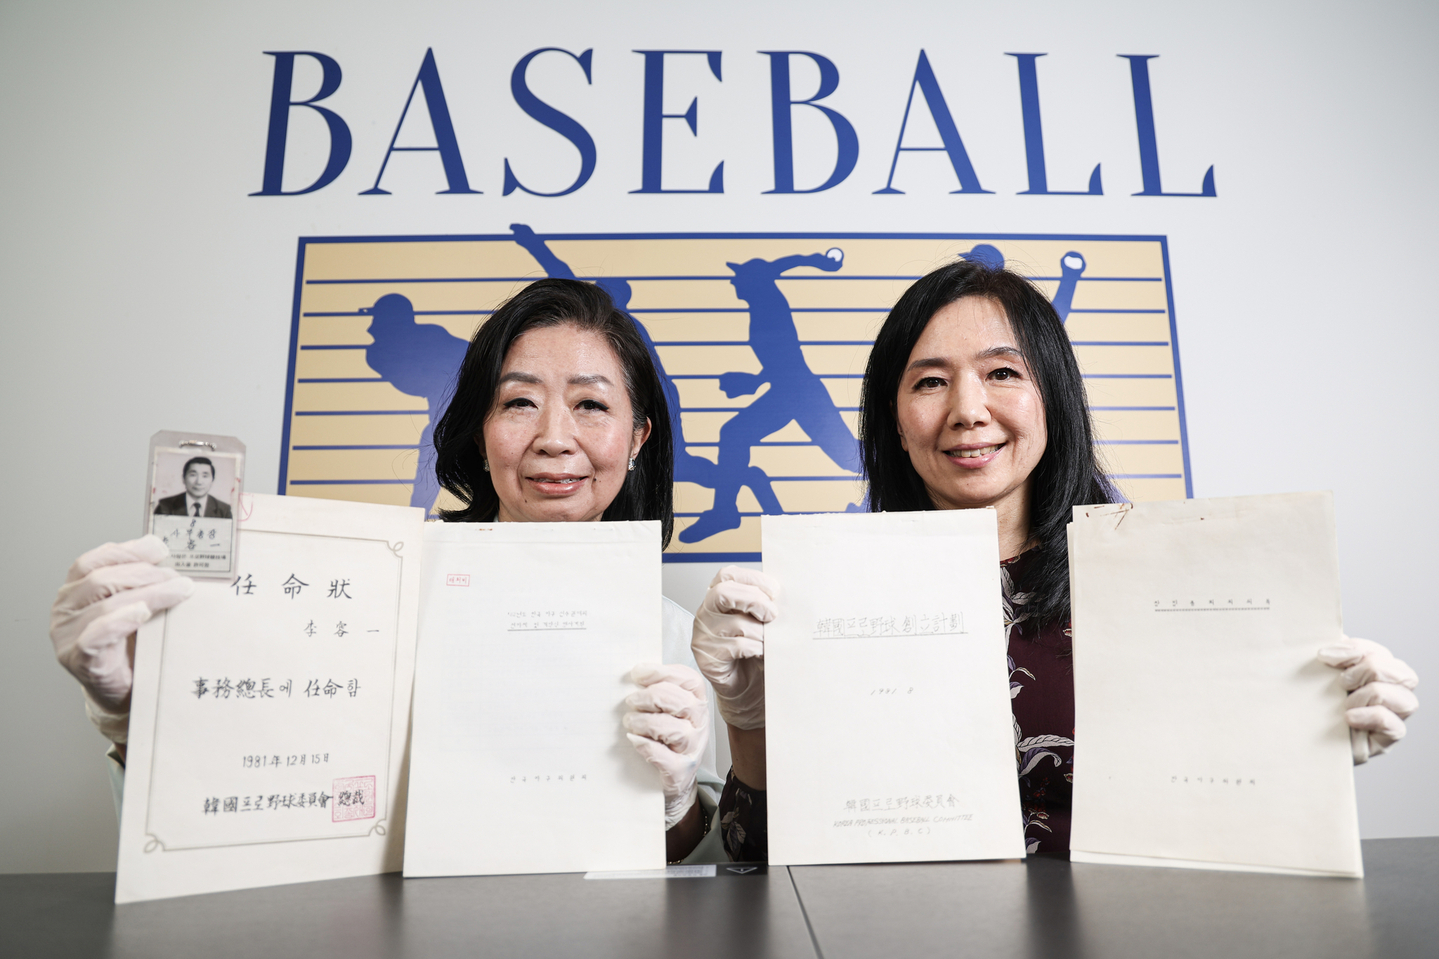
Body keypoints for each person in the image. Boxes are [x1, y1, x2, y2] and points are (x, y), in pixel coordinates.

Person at [690, 257, 1421, 861]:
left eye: (1001, 373)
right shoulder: (824, 596)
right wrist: (747, 713)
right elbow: (750, 844)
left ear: (1052, 400)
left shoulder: (1163, 576)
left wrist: (1314, 738)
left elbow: (1239, 812)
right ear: (895, 423)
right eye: (929, 381)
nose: (967, 409)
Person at [50, 278, 722, 864]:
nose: (552, 436)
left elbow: (685, 864)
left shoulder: (671, 637)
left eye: (591, 404)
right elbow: (236, 805)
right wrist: (133, 709)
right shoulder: (375, 593)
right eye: (518, 402)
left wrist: (671, 801)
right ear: (481, 429)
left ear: (636, 437)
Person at [153, 456, 232, 518]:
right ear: (183, 478)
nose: (199, 482)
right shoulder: (165, 506)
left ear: (212, 480)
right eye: (193, 475)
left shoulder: (224, 510)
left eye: (205, 476)